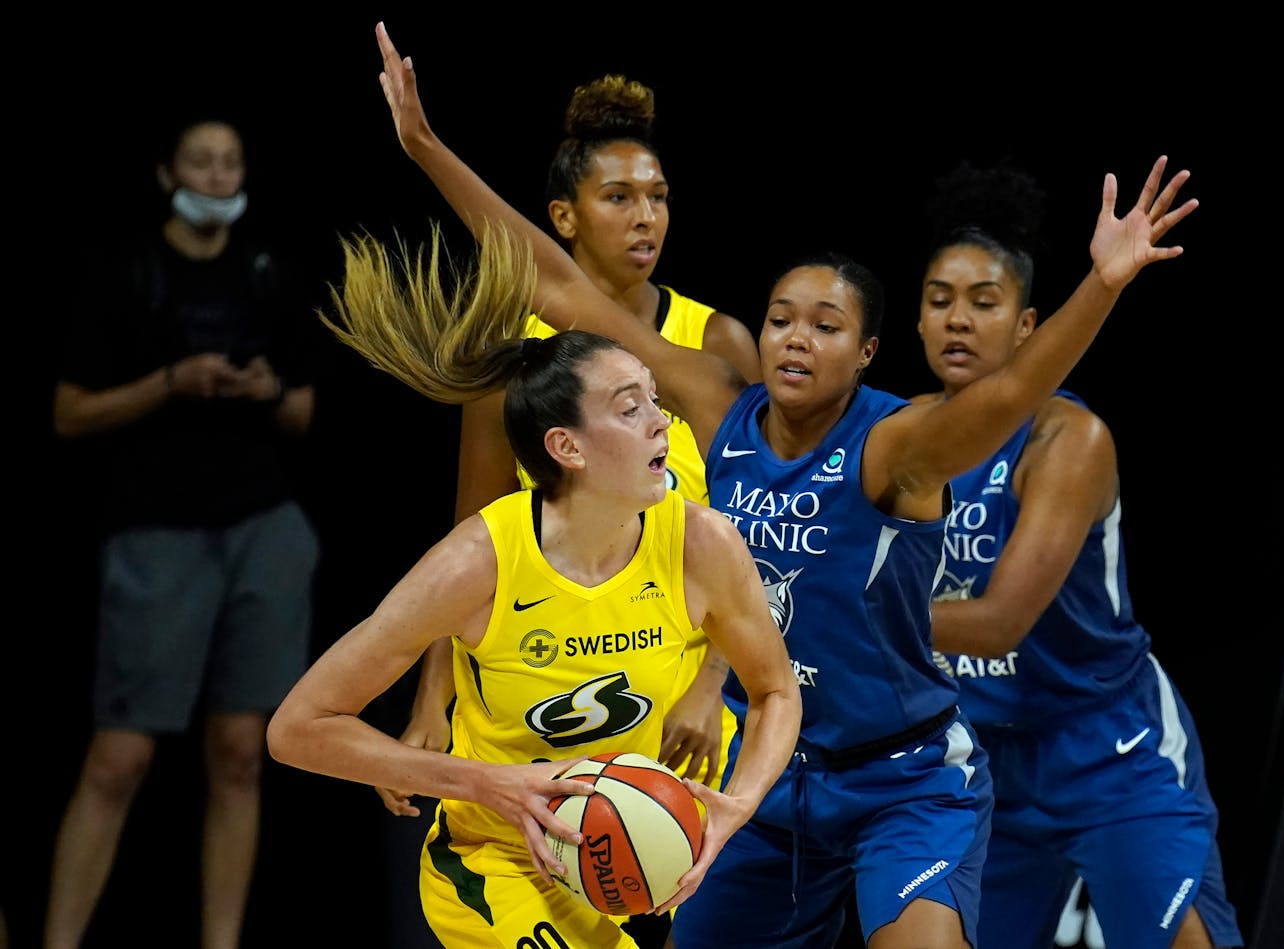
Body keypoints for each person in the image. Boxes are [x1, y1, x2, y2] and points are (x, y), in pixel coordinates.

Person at [370, 20, 1196, 948]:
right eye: (781, 318)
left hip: (901, 776)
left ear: (868, 351)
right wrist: (428, 150)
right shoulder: (717, 404)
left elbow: (1009, 391)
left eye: (827, 325)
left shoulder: (897, 445)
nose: (798, 337)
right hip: (765, 775)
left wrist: (1106, 282)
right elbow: (555, 283)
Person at [265, 222, 802, 949]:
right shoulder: (479, 561)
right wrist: (486, 782)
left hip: (646, 853)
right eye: (630, 407)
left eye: (656, 400)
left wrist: (735, 805)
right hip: (503, 859)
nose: (662, 423)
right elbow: (298, 728)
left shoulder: (702, 542)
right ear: (567, 447)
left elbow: (775, 690)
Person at [381, 71, 759, 827]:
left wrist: (712, 682)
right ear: (564, 215)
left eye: (657, 196)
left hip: (688, 700)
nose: (646, 216)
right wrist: (433, 701)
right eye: (618, 197)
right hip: (550, 696)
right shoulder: (520, 361)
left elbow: (759, 527)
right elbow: (471, 540)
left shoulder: (709, 349)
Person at [912, 161, 1243, 949]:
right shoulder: (902, 435)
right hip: (981, 753)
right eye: (939, 301)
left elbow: (998, 624)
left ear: (1027, 327)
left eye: (984, 303)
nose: (958, 319)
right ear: (917, 323)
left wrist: (841, 617)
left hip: (1106, 744)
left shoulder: (1070, 439)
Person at [45, 115, 320, 949]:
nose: (216, 172)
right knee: (121, 755)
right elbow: (68, 411)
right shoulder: (124, 272)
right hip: (156, 530)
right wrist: (172, 381)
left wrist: (264, 389)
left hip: (260, 524)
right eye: (200, 159)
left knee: (242, 748)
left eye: (231, 158)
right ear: (168, 170)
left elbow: (306, 409)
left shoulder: (270, 272)